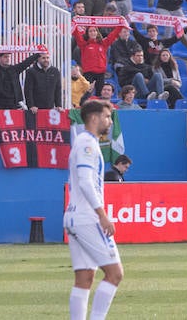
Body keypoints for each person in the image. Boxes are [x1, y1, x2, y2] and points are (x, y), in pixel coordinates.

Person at [65, 99, 122, 320]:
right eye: (107, 117)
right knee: (115, 273)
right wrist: (102, 215)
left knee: (84, 278)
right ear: (94, 118)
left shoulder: (83, 142)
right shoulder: (87, 144)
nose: (110, 121)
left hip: (74, 216)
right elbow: (86, 181)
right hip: (87, 217)